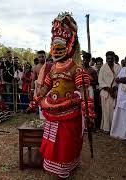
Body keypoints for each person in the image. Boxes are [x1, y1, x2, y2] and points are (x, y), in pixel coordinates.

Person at [29, 13, 95, 178]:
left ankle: (65, 168)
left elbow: (85, 93)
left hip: (70, 114)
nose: (57, 51)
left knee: (66, 143)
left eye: (60, 48)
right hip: (52, 112)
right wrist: (36, 100)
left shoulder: (76, 68)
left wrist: (89, 113)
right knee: (52, 141)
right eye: (54, 48)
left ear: (69, 47)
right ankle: (56, 167)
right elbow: (45, 87)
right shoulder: (52, 68)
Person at [98, 51, 121, 133]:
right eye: (108, 58)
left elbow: (120, 79)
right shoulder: (103, 68)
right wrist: (108, 89)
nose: (110, 60)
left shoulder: (118, 67)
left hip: (115, 92)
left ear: (114, 58)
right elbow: (100, 81)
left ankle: (114, 128)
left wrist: (114, 88)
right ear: (106, 58)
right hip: (106, 92)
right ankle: (106, 128)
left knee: (114, 111)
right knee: (106, 111)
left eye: (112, 58)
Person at [82, 52, 100, 129]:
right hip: (81, 90)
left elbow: (96, 82)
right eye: (84, 59)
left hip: (90, 89)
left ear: (89, 60)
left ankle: (91, 124)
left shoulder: (92, 70)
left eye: (86, 59)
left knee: (90, 106)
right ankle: (83, 125)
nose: (85, 61)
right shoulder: (80, 69)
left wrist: (89, 81)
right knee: (82, 106)